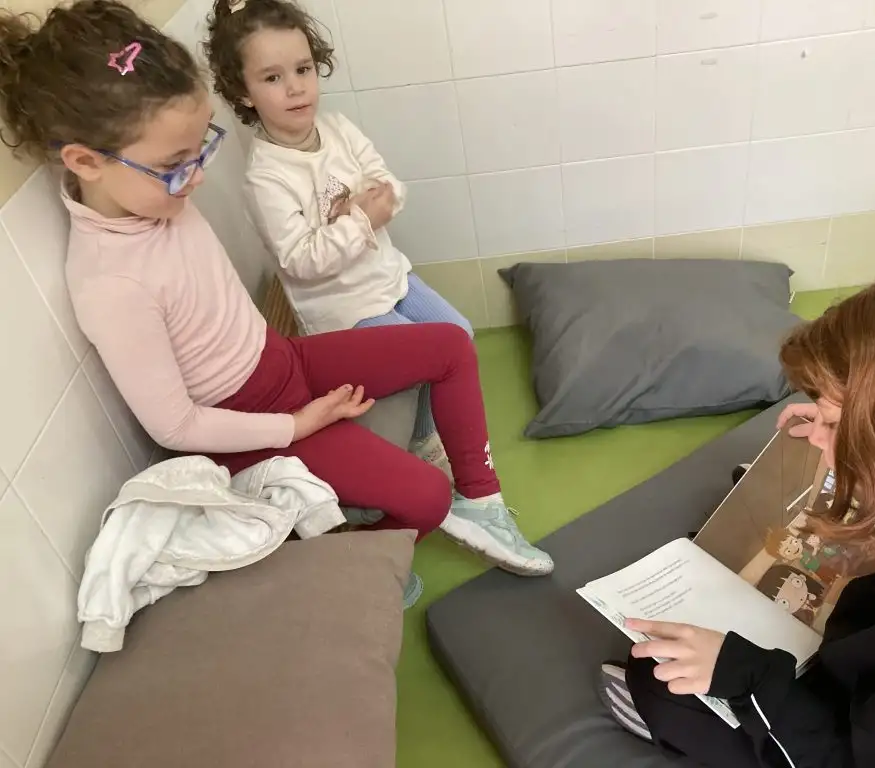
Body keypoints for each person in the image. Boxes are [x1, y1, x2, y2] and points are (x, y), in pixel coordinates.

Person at [0, 0, 553, 608]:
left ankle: (481, 500)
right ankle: (356, 562)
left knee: (449, 343)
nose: (196, 177)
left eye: (200, 150)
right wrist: (298, 425)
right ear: (85, 161)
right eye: (173, 165)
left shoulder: (153, 199)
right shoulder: (110, 281)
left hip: (283, 360)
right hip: (251, 421)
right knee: (425, 497)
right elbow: (174, 426)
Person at [598, 269, 875, 766]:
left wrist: (747, 677)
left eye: (835, 423)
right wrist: (842, 444)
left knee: (659, 680)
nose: (819, 435)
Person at [203, 0, 471, 477]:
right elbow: (302, 259)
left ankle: (424, 431)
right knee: (425, 361)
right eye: (272, 77)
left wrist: (363, 214)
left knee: (461, 334)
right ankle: (423, 442)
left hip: (390, 277)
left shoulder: (338, 129)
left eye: (303, 69)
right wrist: (362, 218)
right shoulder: (266, 178)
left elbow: (391, 189)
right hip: (343, 309)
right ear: (243, 92)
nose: (295, 87)